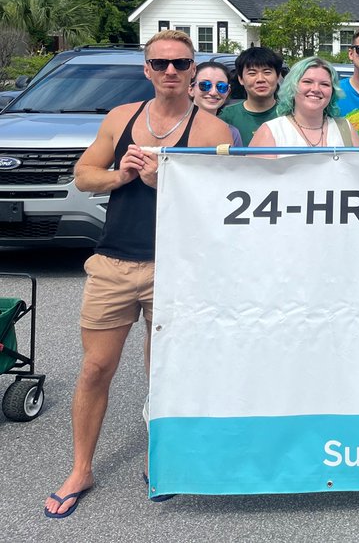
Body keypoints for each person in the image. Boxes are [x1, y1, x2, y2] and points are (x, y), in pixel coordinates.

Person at [45, 30, 232, 519]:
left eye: (181, 63)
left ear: (193, 71)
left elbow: (219, 208)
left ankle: (162, 457)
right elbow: (84, 174)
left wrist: (164, 178)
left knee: (163, 374)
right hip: (114, 262)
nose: (171, 71)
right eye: (161, 63)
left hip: (174, 266)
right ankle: (81, 467)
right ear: (147, 69)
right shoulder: (121, 118)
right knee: (94, 369)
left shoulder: (211, 131)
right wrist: (120, 175)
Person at [250, 56, 359, 148]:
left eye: (325, 84)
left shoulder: (346, 128)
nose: (316, 89)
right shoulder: (271, 131)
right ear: (292, 87)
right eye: (307, 82)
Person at [218, 45, 284, 144]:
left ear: (278, 76)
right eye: (252, 73)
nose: (260, 79)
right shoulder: (227, 117)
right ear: (240, 79)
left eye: (267, 72)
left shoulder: (289, 113)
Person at [191, 60, 242, 146]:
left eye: (221, 87)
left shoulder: (232, 133)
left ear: (228, 91)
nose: (213, 92)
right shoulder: (173, 126)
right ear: (190, 89)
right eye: (205, 85)